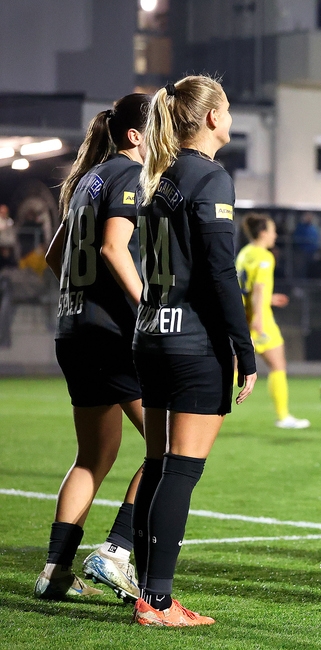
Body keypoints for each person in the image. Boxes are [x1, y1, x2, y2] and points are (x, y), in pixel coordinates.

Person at [131, 76, 257, 627]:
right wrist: (244, 348)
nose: (230, 117)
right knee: (181, 469)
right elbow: (219, 271)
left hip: (151, 334)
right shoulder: (210, 176)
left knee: (158, 465)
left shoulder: (161, 180)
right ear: (209, 119)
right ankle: (156, 601)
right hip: (191, 342)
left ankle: (146, 592)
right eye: (226, 109)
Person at [34, 93, 151, 603]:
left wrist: (83, 298)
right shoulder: (128, 173)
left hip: (74, 331)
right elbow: (112, 247)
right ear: (134, 135)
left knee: (93, 457)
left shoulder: (90, 178)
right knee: (172, 446)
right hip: (111, 335)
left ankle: (55, 572)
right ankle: (118, 550)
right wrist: (147, 307)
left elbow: (55, 254)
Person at [236, 214, 310, 429]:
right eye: (272, 230)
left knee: (234, 369)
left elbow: (246, 288)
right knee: (278, 365)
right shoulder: (265, 256)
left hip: (241, 316)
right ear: (263, 233)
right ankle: (283, 416)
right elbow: (258, 288)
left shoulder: (244, 254)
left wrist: (269, 298)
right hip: (259, 319)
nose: (275, 234)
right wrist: (258, 318)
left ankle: (199, 405)